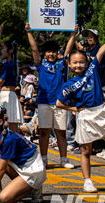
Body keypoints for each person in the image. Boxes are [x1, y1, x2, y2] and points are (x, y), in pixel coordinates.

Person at [56, 27, 105, 193]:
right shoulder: (68, 85)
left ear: (86, 62)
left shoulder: (92, 69)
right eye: (75, 62)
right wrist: (74, 108)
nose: (79, 64)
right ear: (70, 64)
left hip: (101, 110)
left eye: (81, 61)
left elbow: (102, 50)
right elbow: (59, 103)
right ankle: (87, 181)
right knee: (85, 151)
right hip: (85, 115)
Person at [26, 23, 78, 169]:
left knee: (61, 132)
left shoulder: (62, 63)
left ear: (57, 53)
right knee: (44, 132)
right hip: (43, 102)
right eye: (48, 51)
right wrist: (29, 32)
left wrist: (73, 34)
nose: (51, 54)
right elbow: (34, 49)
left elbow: (68, 50)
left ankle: (64, 159)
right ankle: (43, 159)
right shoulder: (40, 64)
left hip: (60, 102)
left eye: (53, 52)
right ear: (45, 53)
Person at [0, 105, 46, 203]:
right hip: (20, 167)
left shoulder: (9, 139)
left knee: (5, 198)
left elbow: (1, 170)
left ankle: (33, 189)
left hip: (33, 171)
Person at [0, 26, 20, 132]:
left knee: (9, 126)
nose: (2, 51)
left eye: (3, 49)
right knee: (13, 125)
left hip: (7, 95)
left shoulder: (7, 65)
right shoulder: (12, 64)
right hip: (11, 95)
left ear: (10, 50)